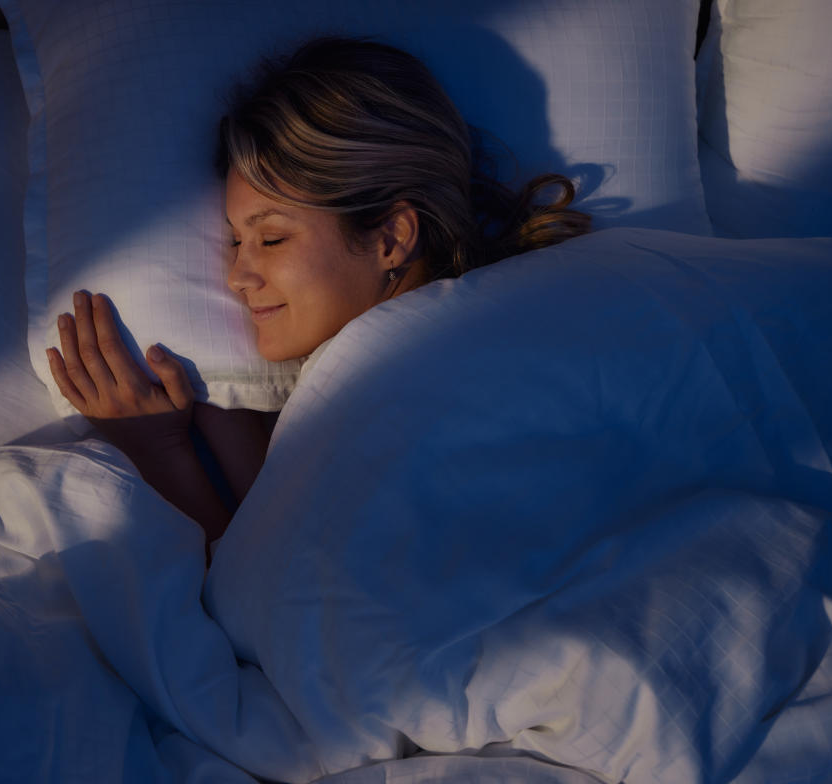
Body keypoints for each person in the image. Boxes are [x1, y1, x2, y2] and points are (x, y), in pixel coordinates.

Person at [44, 36, 590, 556]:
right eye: (236, 241)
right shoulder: (349, 389)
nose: (236, 276)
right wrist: (218, 427)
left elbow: (275, 609)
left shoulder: (471, 354)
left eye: (272, 238)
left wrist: (161, 456)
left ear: (390, 237)